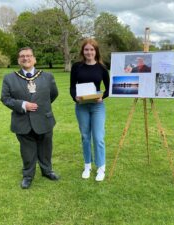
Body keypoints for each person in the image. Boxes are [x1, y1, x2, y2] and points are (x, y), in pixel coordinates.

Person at [1, 47, 59, 189]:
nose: (25, 58)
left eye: (28, 56)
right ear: (18, 60)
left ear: (34, 59)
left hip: (44, 119)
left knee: (46, 149)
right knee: (27, 151)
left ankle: (47, 171)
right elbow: (5, 98)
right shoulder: (9, 78)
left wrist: (42, 107)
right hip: (22, 121)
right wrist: (23, 105)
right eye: (22, 56)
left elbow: (53, 94)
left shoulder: (47, 76)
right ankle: (28, 176)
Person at [70, 39, 110, 181]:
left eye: (92, 49)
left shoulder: (102, 68)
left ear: (96, 51)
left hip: (97, 106)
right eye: (86, 49)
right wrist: (75, 98)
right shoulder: (76, 67)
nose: (89, 52)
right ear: (83, 51)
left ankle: (101, 167)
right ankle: (87, 165)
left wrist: (102, 97)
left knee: (98, 137)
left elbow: (109, 88)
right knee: (85, 137)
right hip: (81, 106)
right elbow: (72, 87)